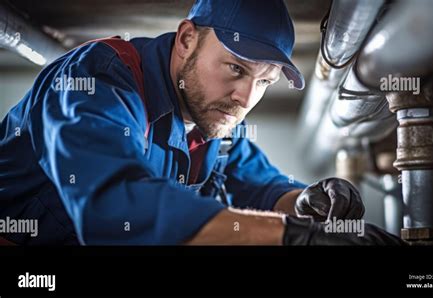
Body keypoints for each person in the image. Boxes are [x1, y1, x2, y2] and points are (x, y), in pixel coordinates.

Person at [0, 0, 402, 245]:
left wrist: (306, 205)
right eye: (235, 68)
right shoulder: (98, 81)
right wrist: (296, 240)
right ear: (187, 39)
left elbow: (257, 185)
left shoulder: (214, 122)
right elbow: (115, 209)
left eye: (264, 82)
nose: (245, 98)